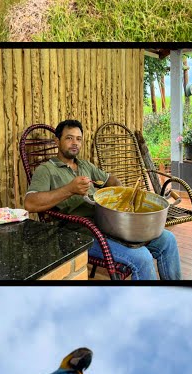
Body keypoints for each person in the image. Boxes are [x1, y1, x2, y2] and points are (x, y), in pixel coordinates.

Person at [23, 119, 180, 280]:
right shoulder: (47, 170)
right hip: (77, 234)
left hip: (107, 224)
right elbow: (30, 203)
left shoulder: (85, 166)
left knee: (168, 239)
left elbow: (111, 180)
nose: (75, 143)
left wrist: (119, 196)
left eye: (78, 139)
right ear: (57, 140)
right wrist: (69, 190)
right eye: (69, 138)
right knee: (142, 258)